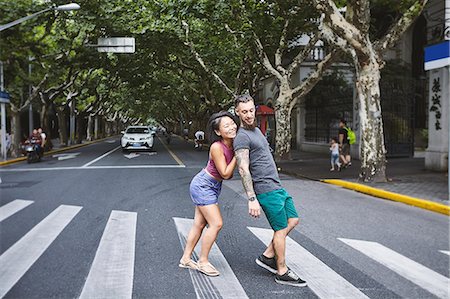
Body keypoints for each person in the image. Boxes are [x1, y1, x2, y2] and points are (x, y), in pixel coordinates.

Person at [233, 94, 307, 287]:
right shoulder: (241, 137)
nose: (249, 115)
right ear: (237, 112)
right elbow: (243, 168)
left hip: (277, 186)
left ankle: (268, 256)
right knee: (280, 230)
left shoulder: (256, 130)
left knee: (293, 220)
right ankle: (282, 270)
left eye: (251, 110)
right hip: (266, 190)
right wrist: (251, 198)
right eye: (244, 112)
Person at [179, 111, 238, 276]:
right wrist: (238, 156)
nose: (232, 127)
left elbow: (227, 174)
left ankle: (185, 258)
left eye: (232, 123)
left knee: (199, 224)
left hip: (213, 186)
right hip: (203, 185)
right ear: (218, 131)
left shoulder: (233, 145)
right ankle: (203, 261)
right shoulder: (216, 147)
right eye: (226, 125)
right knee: (216, 223)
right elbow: (226, 174)